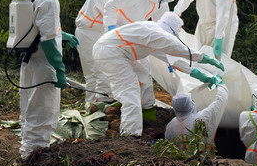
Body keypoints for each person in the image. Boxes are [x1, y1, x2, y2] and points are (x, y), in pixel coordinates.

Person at [92, 12, 224, 137]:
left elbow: (175, 61)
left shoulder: (153, 35)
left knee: (143, 75)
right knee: (130, 93)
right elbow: (179, 49)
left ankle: (144, 114)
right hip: (110, 53)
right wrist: (204, 58)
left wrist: (202, 76)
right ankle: (131, 135)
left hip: (116, 52)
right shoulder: (155, 33)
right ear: (171, 30)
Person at [19, 0, 78, 160]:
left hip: (29, 61)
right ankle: (36, 157)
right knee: (43, 111)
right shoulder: (50, 1)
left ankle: (27, 151)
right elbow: (48, 40)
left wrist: (63, 35)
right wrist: (59, 70)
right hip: (44, 66)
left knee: (29, 108)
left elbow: (36, 27)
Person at [75, 0, 130, 105]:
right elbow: (114, 19)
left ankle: (91, 104)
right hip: (90, 34)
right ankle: (103, 104)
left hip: (87, 32)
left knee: (91, 73)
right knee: (100, 70)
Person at [164, 81, 229, 146]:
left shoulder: (170, 126)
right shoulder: (202, 119)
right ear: (190, 104)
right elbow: (220, 101)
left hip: (179, 156)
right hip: (205, 155)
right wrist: (220, 84)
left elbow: (169, 144)